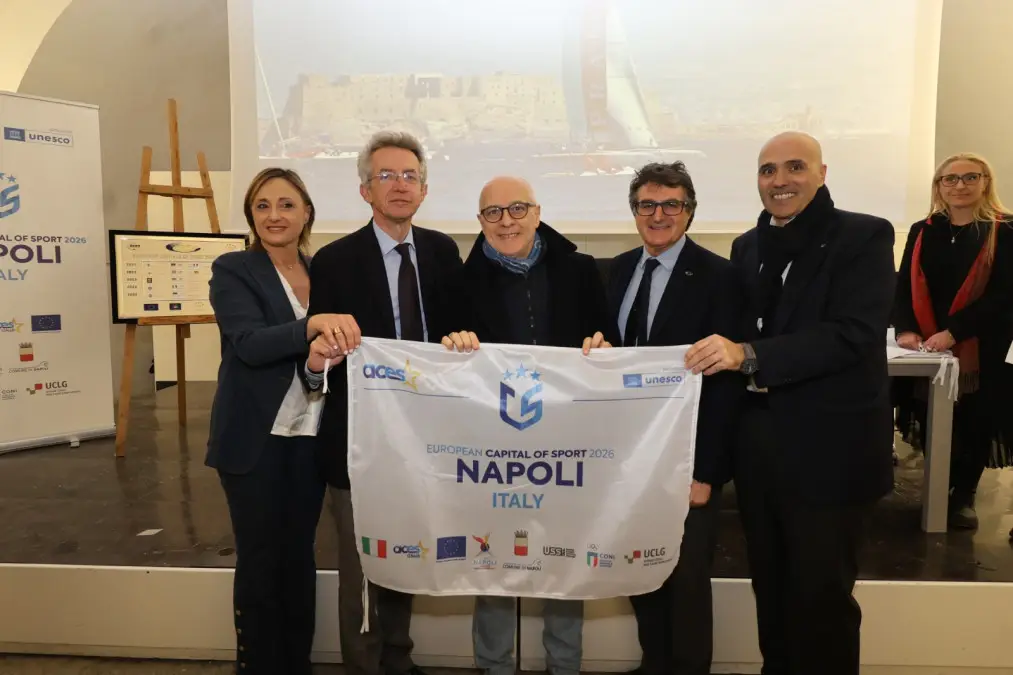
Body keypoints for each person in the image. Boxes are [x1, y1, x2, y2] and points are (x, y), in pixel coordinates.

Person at [684, 132, 896, 675]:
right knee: (772, 589)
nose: (779, 180)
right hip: (761, 454)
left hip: (832, 454)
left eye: (794, 167)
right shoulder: (747, 247)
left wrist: (750, 354)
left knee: (821, 600)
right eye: (767, 170)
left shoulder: (865, 235)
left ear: (822, 173)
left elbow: (853, 334)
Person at [303, 131, 462, 675]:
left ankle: (398, 659)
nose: (400, 185)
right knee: (363, 567)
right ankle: (364, 665)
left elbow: (457, 331)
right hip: (360, 441)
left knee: (407, 554)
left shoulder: (442, 252)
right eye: (386, 176)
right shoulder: (334, 261)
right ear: (365, 190)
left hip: (427, 440)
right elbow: (321, 353)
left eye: (410, 176)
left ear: (424, 190)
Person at [442, 176, 611, 675]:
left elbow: (609, 340)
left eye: (517, 209)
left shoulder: (580, 270)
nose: (507, 221)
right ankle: (494, 667)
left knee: (564, 561)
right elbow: (443, 357)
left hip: (566, 445)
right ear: (480, 222)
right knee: (491, 561)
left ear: (537, 213)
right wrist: (452, 346)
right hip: (492, 448)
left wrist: (603, 348)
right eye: (493, 213)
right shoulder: (458, 281)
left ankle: (565, 666)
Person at [593, 162, 743, 675]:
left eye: (671, 205)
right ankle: (654, 663)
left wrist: (706, 472)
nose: (658, 215)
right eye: (647, 205)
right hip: (627, 455)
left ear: (689, 211)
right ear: (634, 211)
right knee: (640, 567)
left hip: (686, 457)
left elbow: (726, 386)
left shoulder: (721, 276)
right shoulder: (616, 270)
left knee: (686, 580)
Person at [207, 168, 343, 674]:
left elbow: (322, 359)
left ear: (307, 212)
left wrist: (319, 359)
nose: (274, 216)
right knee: (261, 561)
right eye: (262, 206)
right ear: (251, 216)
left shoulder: (322, 272)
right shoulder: (233, 269)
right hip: (254, 441)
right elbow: (248, 344)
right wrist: (311, 325)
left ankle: (296, 662)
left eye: (286, 205)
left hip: (310, 437)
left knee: (299, 558)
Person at [893, 152, 1013, 530]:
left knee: (976, 418)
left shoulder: (1005, 229)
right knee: (931, 415)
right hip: (929, 345)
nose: (960, 185)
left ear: (985, 182)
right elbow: (904, 285)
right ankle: (939, 486)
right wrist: (906, 329)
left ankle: (964, 494)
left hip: (984, 345)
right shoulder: (923, 229)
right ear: (939, 186)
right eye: (950, 179)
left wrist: (954, 331)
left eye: (970, 177)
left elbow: (1004, 295)